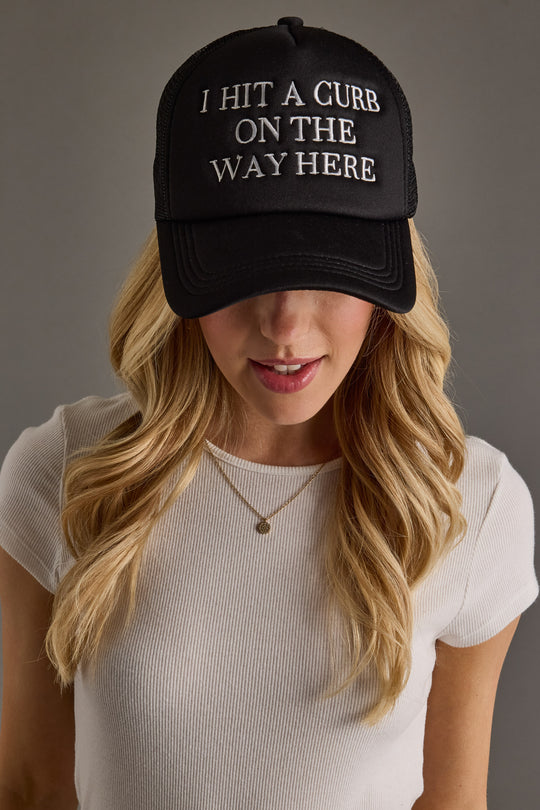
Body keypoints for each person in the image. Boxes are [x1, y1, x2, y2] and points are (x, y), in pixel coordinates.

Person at [0, 16, 537, 810]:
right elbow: (32, 788)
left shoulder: (468, 504)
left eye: (330, 275)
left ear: (390, 282)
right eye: (242, 273)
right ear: (178, 271)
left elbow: (452, 803)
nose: (287, 329)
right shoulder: (66, 473)